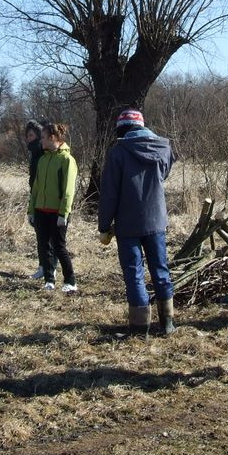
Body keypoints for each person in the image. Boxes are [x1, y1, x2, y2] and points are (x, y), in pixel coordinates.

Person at [98, 109, 176, 337]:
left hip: (128, 224)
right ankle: (168, 323)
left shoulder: (118, 152)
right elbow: (164, 175)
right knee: (161, 270)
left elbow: (109, 193)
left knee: (134, 273)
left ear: (122, 129)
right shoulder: (163, 148)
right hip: (157, 221)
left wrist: (104, 225)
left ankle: (139, 329)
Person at [28, 123, 78, 293]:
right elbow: (35, 188)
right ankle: (49, 280)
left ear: (52, 138)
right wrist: (31, 210)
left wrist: (64, 213)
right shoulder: (42, 160)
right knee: (44, 246)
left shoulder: (67, 160)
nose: (40, 141)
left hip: (58, 213)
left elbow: (68, 190)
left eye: (42, 137)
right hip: (41, 211)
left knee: (59, 247)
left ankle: (70, 281)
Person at [24, 120, 49, 280]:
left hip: (46, 199)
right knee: (41, 236)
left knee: (48, 238)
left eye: (31, 135)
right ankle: (44, 267)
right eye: (27, 136)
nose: (28, 139)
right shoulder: (34, 153)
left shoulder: (43, 152)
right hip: (36, 197)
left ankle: (48, 268)